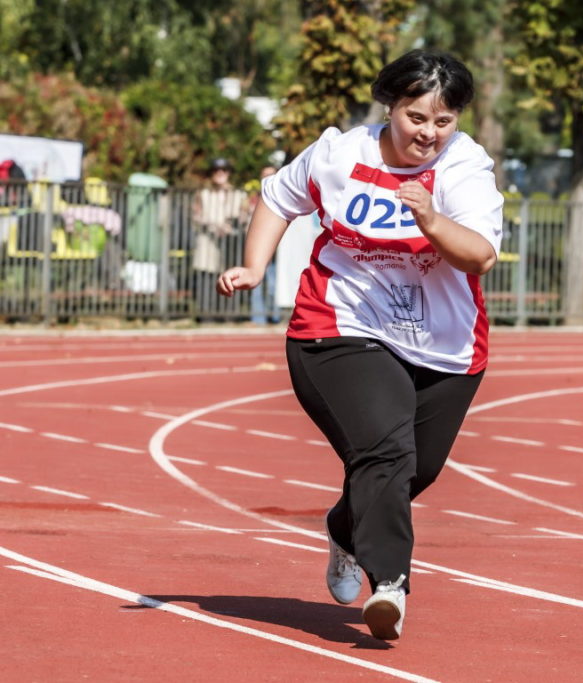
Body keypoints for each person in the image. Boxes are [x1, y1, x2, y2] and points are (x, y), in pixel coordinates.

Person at [216, 49, 502, 641]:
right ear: (391, 107)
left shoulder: (465, 168)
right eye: (416, 117)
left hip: (442, 345)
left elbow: (481, 254)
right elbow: (277, 197)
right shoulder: (339, 153)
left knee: (413, 469)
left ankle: (344, 529)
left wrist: (432, 221)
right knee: (388, 452)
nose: (428, 134)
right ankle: (391, 584)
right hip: (341, 323)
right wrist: (253, 266)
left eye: (442, 122)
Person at [193, 158, 247, 317]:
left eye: (224, 170)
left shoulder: (238, 194)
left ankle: (228, 313)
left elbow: (244, 216)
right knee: (206, 276)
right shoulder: (203, 194)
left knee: (230, 278)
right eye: (216, 171)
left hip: (230, 243)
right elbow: (195, 216)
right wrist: (212, 225)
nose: (220, 174)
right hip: (207, 241)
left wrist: (235, 224)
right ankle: (205, 313)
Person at [248, 165, 281, 325]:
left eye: (271, 175)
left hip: (277, 252)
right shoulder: (253, 199)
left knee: (274, 284)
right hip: (259, 250)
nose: (267, 179)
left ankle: (275, 316)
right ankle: (258, 318)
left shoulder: (284, 198)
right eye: (264, 176)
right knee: (256, 283)